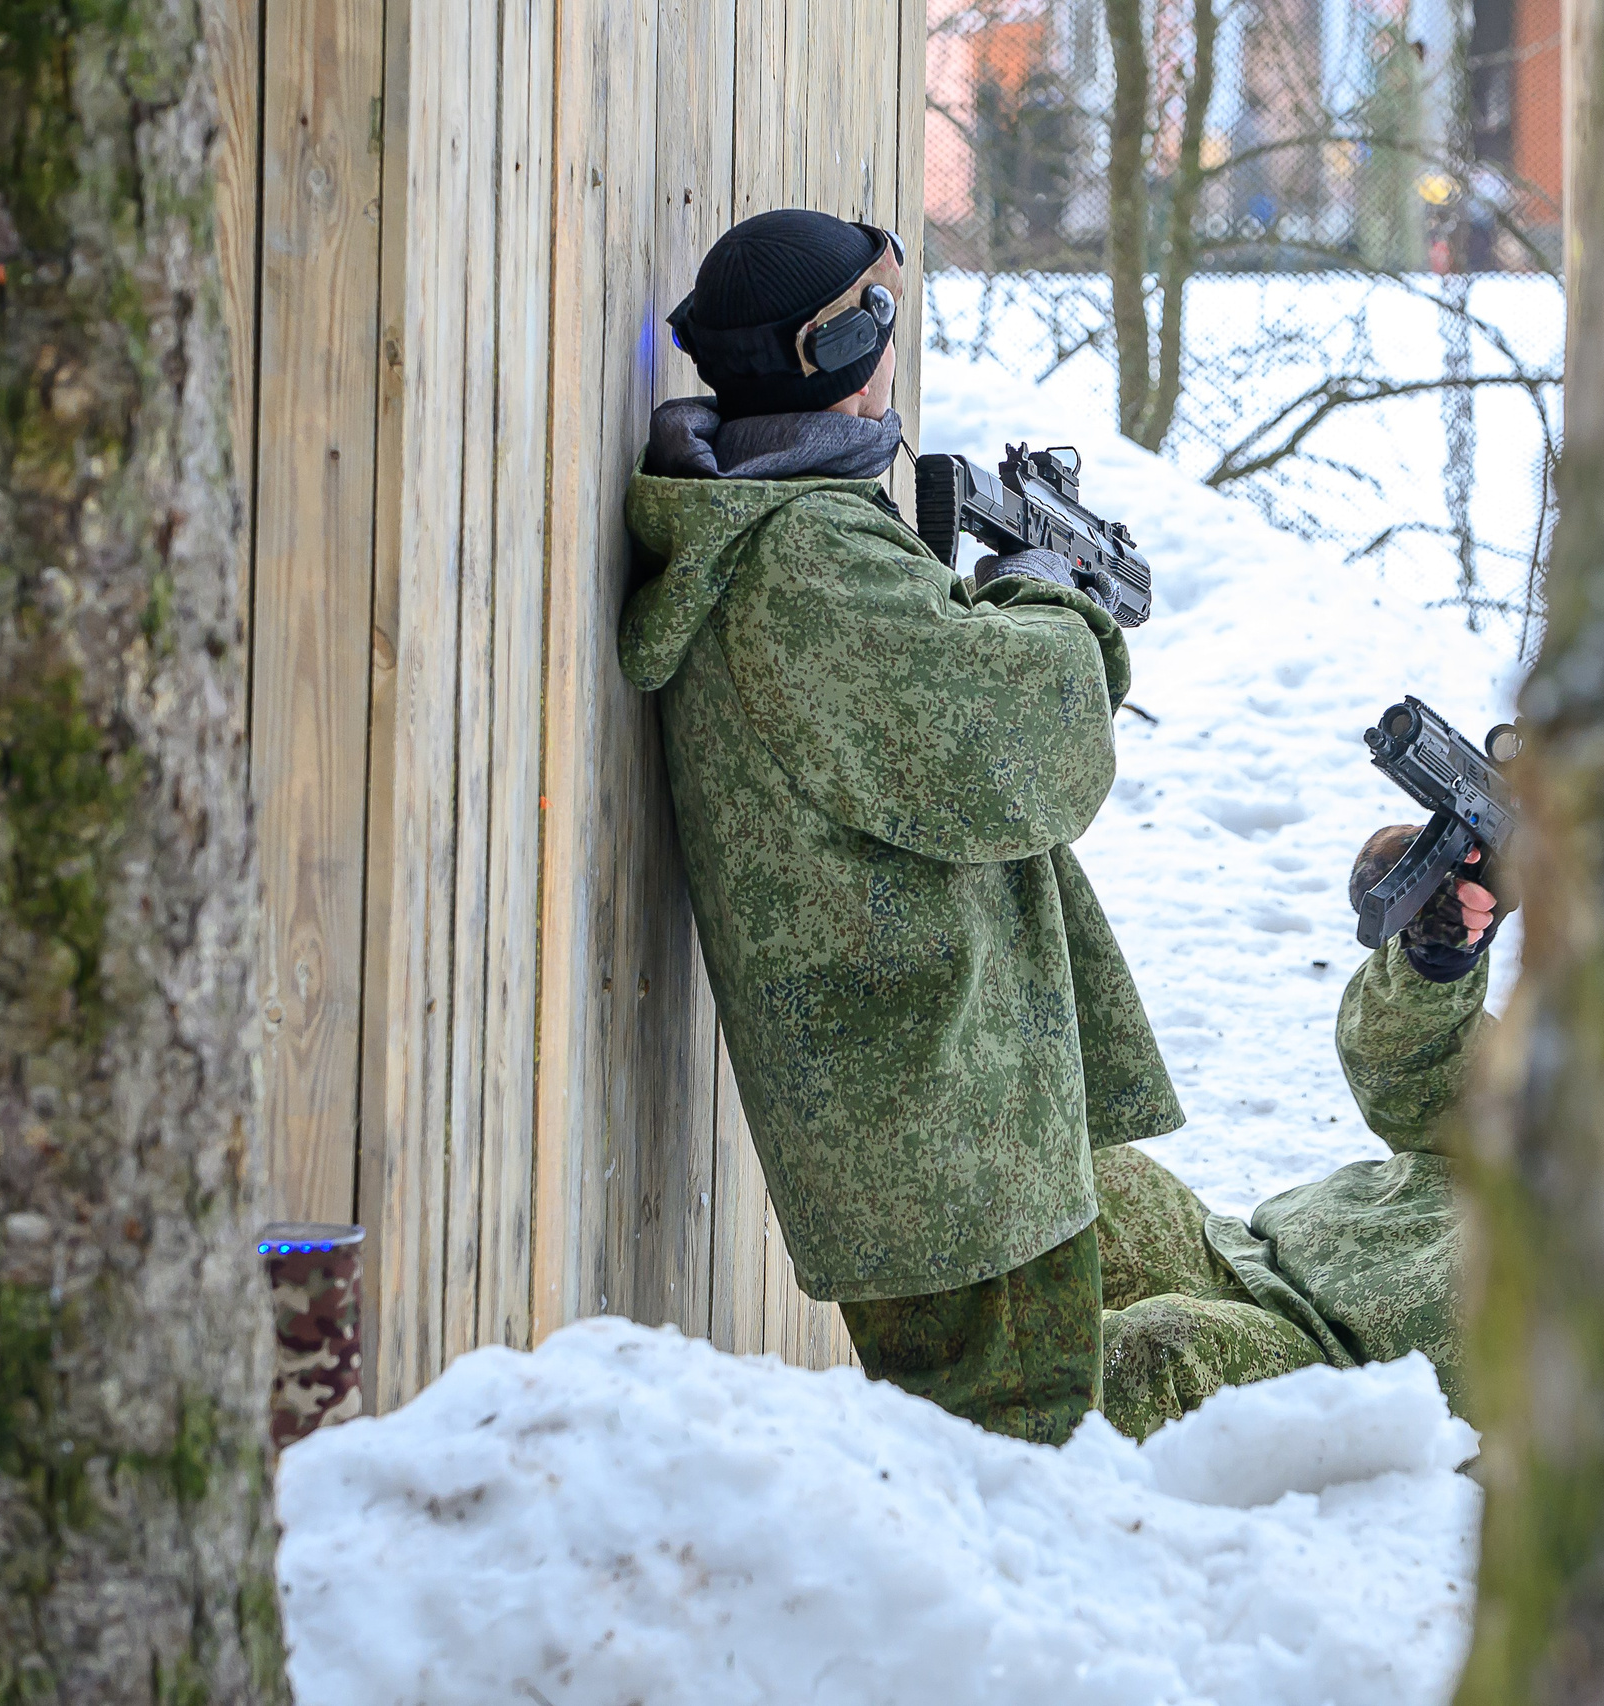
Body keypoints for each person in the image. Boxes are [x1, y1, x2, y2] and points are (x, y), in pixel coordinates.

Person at [617, 209, 1183, 1445]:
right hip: (940, 1109)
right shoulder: (805, 559)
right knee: (1018, 1446)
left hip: (927, 1097)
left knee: (995, 1447)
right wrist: (1052, 600)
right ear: (837, 348)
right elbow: (1016, 739)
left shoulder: (779, 533)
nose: (891, 345)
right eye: (878, 318)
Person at [1094, 831, 1504, 1439]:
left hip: (1335, 1383)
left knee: (1151, 1351)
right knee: (1059, 1169)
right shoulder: (1603, 1124)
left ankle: (954, 1467)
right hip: (1243, 1258)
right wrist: (1436, 962)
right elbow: (1416, 1076)